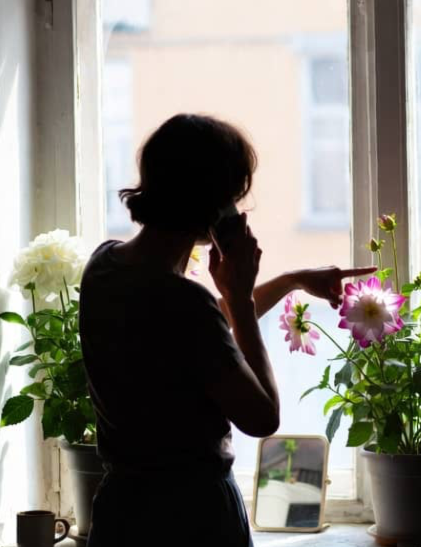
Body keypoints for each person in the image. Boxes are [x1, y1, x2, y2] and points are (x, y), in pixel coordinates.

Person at [79, 114, 374, 546]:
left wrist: (291, 280)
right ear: (214, 207)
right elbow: (262, 417)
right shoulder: (185, 303)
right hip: (193, 518)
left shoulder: (103, 266)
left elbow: (195, 335)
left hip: (121, 514)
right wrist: (239, 298)